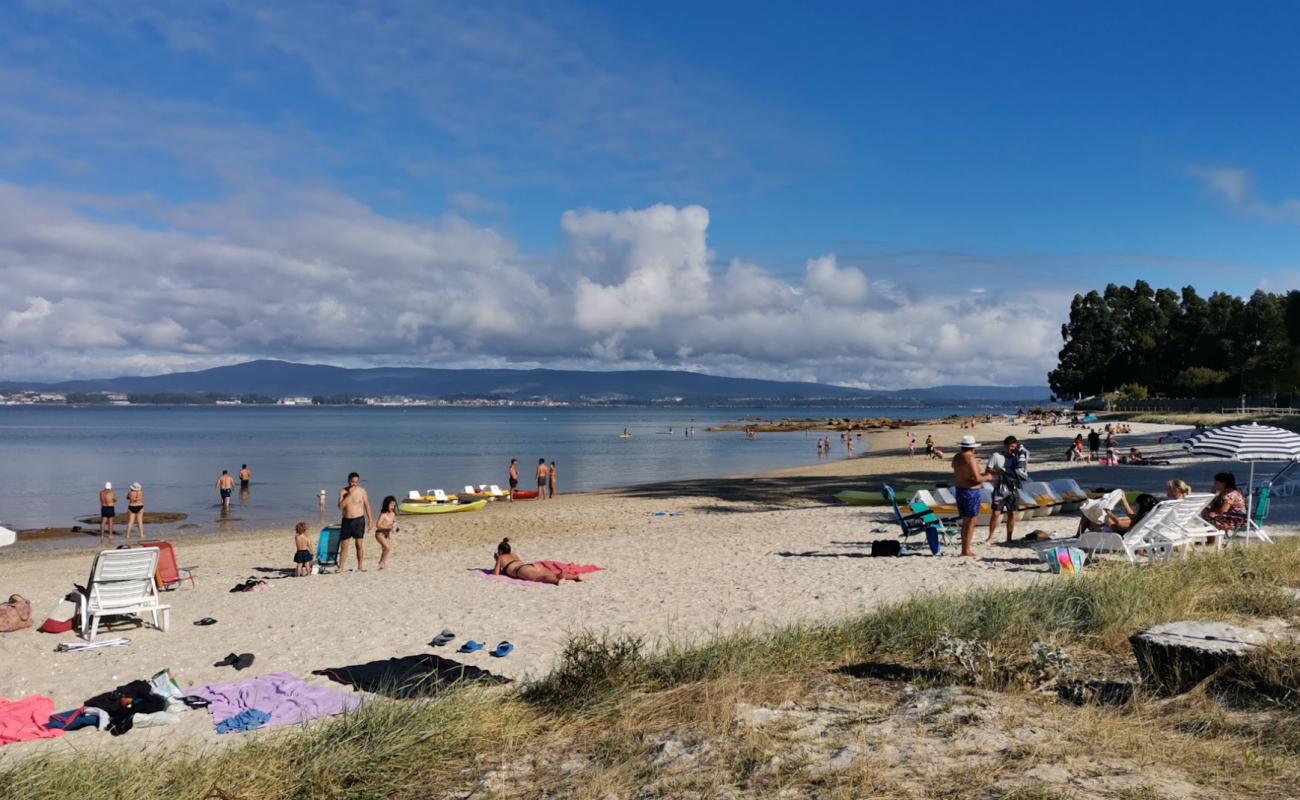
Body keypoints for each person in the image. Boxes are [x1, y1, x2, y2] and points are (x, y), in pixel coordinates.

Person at [951, 435, 993, 557]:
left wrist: (974, 464)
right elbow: (976, 478)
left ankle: (965, 549)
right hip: (971, 492)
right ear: (973, 447)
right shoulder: (970, 458)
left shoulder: (957, 457)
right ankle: (966, 550)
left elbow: (957, 468)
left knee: (966, 521)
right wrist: (988, 477)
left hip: (960, 490)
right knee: (971, 521)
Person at [986, 436, 1029, 544]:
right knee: (996, 514)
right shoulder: (996, 456)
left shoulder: (1016, 457)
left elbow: (1022, 467)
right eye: (1011, 447)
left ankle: (1009, 538)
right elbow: (988, 470)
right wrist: (999, 472)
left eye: (1014, 447)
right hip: (999, 488)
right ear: (1005, 446)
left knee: (1012, 514)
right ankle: (990, 536)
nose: (1012, 449)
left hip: (1013, 488)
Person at [491, 538, 584, 585]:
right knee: (552, 574)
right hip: (530, 565)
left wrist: (497, 559)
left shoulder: (501, 557)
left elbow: (496, 574)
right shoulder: (514, 555)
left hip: (521, 570)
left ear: (500, 551)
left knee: (541, 578)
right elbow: (508, 568)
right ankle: (575, 577)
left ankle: (556, 581)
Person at [337, 472, 372, 572]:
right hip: (347, 520)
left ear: (359, 481)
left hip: (359, 520)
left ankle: (360, 566)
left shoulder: (362, 491)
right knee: (344, 545)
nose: (354, 484)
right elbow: (340, 507)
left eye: (356, 482)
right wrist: (349, 495)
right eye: (352, 482)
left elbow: (367, 505)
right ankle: (341, 567)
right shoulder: (343, 491)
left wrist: (370, 520)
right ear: (348, 481)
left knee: (359, 544)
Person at [1078, 493, 1159, 535]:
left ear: (1142, 506)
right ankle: (1078, 535)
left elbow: (1118, 523)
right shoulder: (1146, 517)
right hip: (1118, 532)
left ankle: (1078, 535)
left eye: (1137, 504)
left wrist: (1108, 511)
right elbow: (1130, 514)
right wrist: (1124, 501)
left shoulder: (1138, 519)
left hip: (1114, 536)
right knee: (1092, 516)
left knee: (1088, 514)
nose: (1135, 505)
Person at [375, 495, 398, 570]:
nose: (392, 507)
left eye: (394, 505)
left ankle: (383, 564)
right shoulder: (383, 514)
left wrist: (396, 528)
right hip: (379, 534)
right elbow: (378, 525)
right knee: (387, 547)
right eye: (391, 505)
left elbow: (394, 523)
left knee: (386, 549)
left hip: (387, 534)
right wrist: (388, 527)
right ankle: (381, 562)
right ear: (386, 504)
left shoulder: (393, 514)